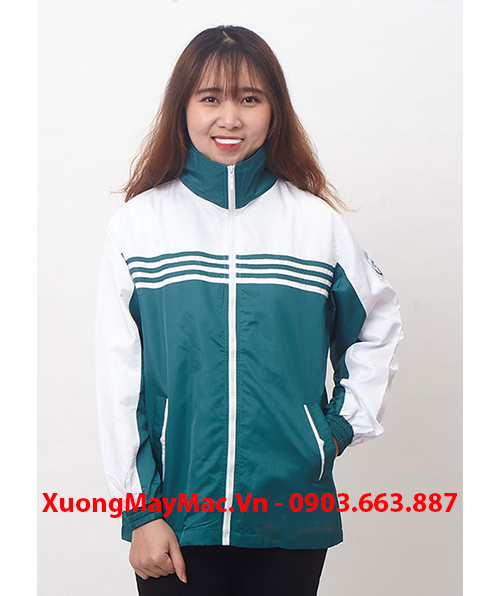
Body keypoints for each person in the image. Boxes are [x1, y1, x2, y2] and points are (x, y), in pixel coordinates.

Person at [95, 25, 404, 596]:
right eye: (210, 98)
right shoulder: (138, 228)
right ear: (183, 107)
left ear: (274, 110)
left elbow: (376, 327)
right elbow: (120, 379)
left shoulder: (316, 226)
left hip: (292, 510)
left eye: (250, 99)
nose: (230, 118)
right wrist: (139, 511)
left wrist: (335, 430)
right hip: (173, 516)